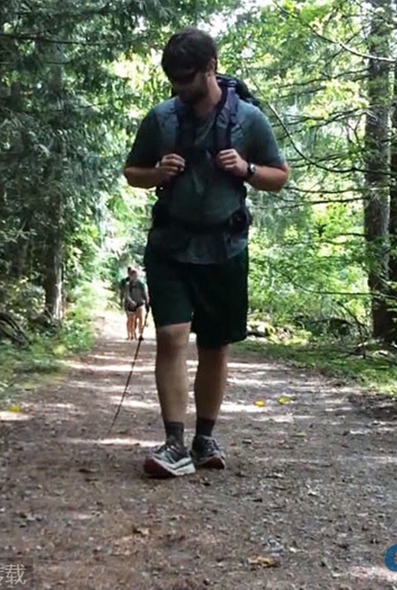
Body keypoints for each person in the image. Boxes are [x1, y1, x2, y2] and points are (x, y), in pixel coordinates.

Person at [122, 27, 290, 478]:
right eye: (173, 80)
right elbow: (131, 171)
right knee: (173, 338)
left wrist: (248, 168)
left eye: (187, 78)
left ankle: (204, 438)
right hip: (171, 245)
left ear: (211, 66)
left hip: (226, 247)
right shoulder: (161, 119)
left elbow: (279, 175)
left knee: (215, 346)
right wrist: (157, 172)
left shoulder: (250, 119)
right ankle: (174, 443)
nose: (179, 88)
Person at [122, 268, 149, 340]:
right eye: (133, 276)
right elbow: (127, 295)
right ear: (130, 276)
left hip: (140, 303)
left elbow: (145, 294)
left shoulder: (142, 284)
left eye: (135, 275)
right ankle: (130, 334)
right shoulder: (128, 285)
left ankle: (140, 333)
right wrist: (131, 302)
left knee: (141, 318)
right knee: (131, 320)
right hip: (130, 304)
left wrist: (147, 302)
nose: (134, 277)